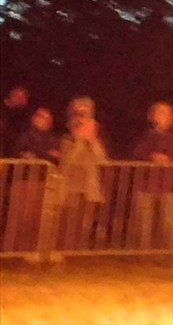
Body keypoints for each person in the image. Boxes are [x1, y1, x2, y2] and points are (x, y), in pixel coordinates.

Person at [131, 100, 173, 252]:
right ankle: (142, 255)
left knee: (170, 222)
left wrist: (169, 158)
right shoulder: (145, 134)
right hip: (146, 183)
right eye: (158, 113)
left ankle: (171, 254)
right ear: (151, 116)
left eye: (165, 113)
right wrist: (151, 155)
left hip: (170, 184)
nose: (161, 116)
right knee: (143, 223)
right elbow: (136, 151)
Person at [2, 104, 59, 252]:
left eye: (47, 118)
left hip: (43, 183)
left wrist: (41, 156)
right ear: (33, 119)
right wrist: (44, 155)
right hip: (24, 181)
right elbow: (21, 153)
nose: (43, 121)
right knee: (19, 219)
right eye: (40, 117)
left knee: (36, 220)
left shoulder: (53, 139)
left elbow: (55, 157)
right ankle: (12, 251)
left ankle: (30, 251)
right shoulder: (25, 136)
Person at [56, 97, 108, 251]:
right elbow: (67, 161)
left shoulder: (94, 139)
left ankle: (80, 252)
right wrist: (79, 141)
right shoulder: (66, 138)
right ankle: (65, 251)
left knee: (86, 222)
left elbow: (103, 160)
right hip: (71, 185)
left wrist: (92, 141)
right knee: (70, 221)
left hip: (89, 185)